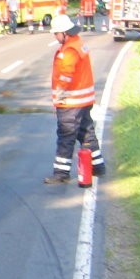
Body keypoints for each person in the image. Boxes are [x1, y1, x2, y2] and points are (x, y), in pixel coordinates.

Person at [44, 15, 106, 184]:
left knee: (66, 137)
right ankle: (98, 167)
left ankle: (61, 174)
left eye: (56, 33)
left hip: (71, 102)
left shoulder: (70, 50)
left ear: (64, 33)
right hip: (84, 101)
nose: (55, 37)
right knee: (87, 134)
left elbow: (65, 76)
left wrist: (59, 98)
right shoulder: (79, 44)